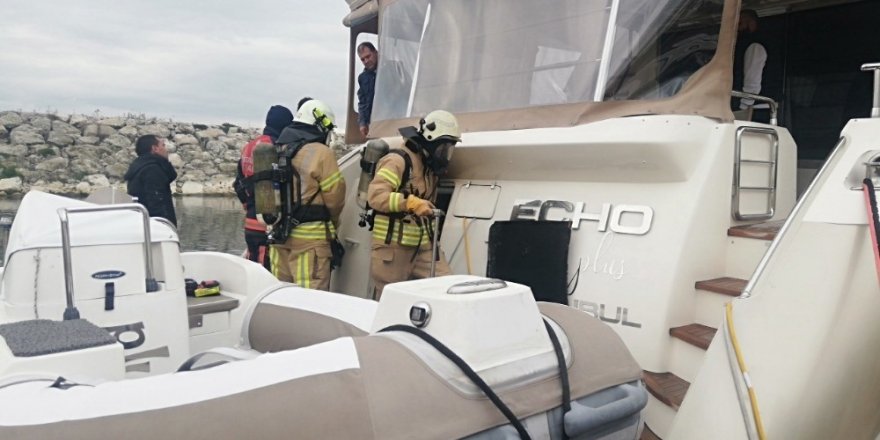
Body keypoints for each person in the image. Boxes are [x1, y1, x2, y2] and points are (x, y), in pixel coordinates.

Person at [367, 110, 461, 299]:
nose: (445, 154)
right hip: (393, 250)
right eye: (443, 147)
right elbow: (376, 195)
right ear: (430, 140)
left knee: (447, 288)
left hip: (424, 247)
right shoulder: (398, 160)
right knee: (390, 301)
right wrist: (409, 203)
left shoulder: (428, 168)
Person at [269, 99, 346, 291]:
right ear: (319, 124)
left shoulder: (278, 149)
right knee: (311, 303)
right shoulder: (321, 153)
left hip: (279, 239)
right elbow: (335, 198)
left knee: (282, 297)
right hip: (310, 245)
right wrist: (333, 225)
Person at [233, 105, 293, 270]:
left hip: (250, 222)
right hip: (267, 224)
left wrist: (249, 207)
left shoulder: (249, 147)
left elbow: (238, 183)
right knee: (264, 273)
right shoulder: (276, 147)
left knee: (253, 268)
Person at [125, 134, 178, 226]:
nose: (166, 149)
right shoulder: (152, 170)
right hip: (156, 228)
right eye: (163, 145)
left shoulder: (139, 167)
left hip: (142, 223)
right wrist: (165, 226)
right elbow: (156, 201)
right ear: (155, 148)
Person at [733, 9, 769, 122]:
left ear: (752, 23)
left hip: (755, 110)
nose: (738, 29)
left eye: (740, 24)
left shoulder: (754, 46)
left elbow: (752, 80)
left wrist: (743, 107)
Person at [357, 42, 378, 138]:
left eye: (368, 56)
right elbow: (363, 102)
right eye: (362, 59)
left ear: (376, 52)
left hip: (395, 119)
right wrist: (362, 123)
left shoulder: (393, 67)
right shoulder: (363, 78)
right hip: (374, 123)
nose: (366, 61)